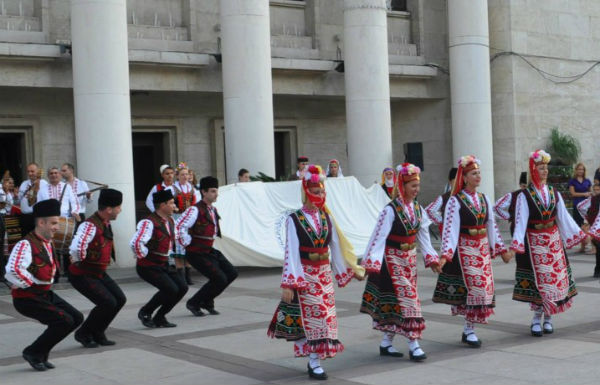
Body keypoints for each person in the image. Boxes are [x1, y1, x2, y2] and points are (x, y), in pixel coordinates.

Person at [268, 164, 361, 380]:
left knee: (326, 317)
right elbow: (290, 251)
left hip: (324, 274)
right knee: (316, 316)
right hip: (306, 273)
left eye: (322, 192)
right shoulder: (295, 219)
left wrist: (349, 269)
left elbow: (336, 247)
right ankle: (314, 361)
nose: (320, 196)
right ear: (306, 192)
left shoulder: (326, 218)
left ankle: (313, 356)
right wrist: (290, 283)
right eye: (316, 192)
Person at [360, 163, 440, 361]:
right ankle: (414, 344)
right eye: (413, 186)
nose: (416, 190)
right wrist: (371, 263)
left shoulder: (418, 209)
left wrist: (432, 258)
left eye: (417, 186)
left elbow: (423, 237)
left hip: (409, 260)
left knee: (398, 303)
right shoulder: (390, 210)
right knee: (409, 301)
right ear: (402, 186)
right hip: (393, 260)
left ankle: (386, 343)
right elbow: (378, 238)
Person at [432, 155, 510, 347]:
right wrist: (445, 255)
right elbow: (450, 229)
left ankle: (469, 329)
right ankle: (469, 330)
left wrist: (500, 249)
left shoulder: (484, 199)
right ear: (465, 177)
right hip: (466, 249)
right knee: (474, 288)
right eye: (474, 174)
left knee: (483, 289)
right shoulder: (454, 201)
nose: (478, 177)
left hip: (482, 248)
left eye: (479, 173)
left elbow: (491, 225)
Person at [509, 150, 585, 337]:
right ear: (534, 170)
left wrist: (579, 233)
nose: (545, 171)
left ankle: (549, 318)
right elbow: (520, 221)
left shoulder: (553, 192)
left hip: (553, 241)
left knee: (553, 281)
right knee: (540, 282)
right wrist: (516, 243)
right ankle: (536, 318)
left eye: (546, 168)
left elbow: (563, 217)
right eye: (541, 168)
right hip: (535, 241)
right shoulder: (525, 196)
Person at [4, 199, 83, 371]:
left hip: (43, 294)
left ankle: (41, 353)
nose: (57, 227)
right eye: (54, 223)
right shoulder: (26, 244)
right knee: (63, 321)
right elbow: (12, 269)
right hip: (28, 298)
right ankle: (33, 352)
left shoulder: (47, 242)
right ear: (41, 222)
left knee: (76, 317)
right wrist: (27, 284)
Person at [68, 189, 126, 348]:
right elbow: (76, 247)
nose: (120, 210)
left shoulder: (105, 222)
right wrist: (81, 261)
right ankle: (83, 333)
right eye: (119, 207)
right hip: (83, 274)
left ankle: (98, 331)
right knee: (107, 302)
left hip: (98, 272)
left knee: (119, 299)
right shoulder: (89, 225)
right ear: (109, 209)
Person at [176, 176, 238, 316]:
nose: (216, 194)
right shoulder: (194, 210)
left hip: (208, 250)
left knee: (232, 273)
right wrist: (187, 243)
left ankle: (207, 301)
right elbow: (179, 226)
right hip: (196, 252)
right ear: (204, 192)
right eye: (213, 191)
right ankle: (194, 302)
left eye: (216, 191)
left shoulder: (212, 209)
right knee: (219, 278)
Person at [131, 189, 188, 328]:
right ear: (162, 205)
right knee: (170, 289)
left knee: (182, 287)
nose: (174, 206)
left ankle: (160, 317)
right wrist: (145, 256)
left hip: (163, 264)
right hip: (148, 266)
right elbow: (136, 242)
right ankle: (145, 311)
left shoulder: (169, 221)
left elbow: (168, 243)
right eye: (171, 203)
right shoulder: (148, 222)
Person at [172, 162, 201, 285]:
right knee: (178, 248)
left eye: (186, 174)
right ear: (177, 176)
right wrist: (174, 208)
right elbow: (166, 203)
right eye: (182, 174)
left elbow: (198, 203)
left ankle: (188, 275)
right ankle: (181, 276)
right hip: (178, 219)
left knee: (188, 247)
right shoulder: (172, 188)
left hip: (189, 220)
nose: (185, 177)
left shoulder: (193, 189)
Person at [425, 167, 458, 234]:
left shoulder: (465, 196)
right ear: (450, 181)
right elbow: (429, 210)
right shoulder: (444, 197)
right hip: (450, 232)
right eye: (456, 180)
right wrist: (443, 220)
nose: (458, 183)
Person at [18, 163, 48, 236]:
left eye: (32, 171)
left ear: (38, 171)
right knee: (25, 238)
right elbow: (19, 199)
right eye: (28, 171)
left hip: (37, 216)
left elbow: (46, 201)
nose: (30, 173)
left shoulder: (44, 184)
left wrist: (36, 192)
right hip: (25, 217)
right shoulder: (24, 183)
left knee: (37, 239)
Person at [494, 171, 528, 236]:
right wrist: (510, 216)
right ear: (520, 185)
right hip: (517, 229)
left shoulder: (534, 195)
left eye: (528, 187)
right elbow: (496, 207)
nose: (526, 189)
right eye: (524, 186)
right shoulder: (512, 195)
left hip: (531, 229)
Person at [577, 183, 600, 277]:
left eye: (598, 189)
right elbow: (580, 207)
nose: (596, 191)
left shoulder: (593, 199)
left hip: (595, 228)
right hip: (596, 228)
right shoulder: (592, 199)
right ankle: (597, 270)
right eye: (595, 189)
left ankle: (597, 270)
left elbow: (580, 207)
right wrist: (588, 218)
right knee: (598, 249)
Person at [569, 162, 592, 253]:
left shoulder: (587, 181)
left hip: (586, 207)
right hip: (577, 205)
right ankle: (583, 246)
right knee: (579, 227)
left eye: (582, 169)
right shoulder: (572, 181)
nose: (580, 171)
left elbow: (591, 192)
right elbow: (573, 193)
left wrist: (589, 194)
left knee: (586, 226)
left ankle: (585, 246)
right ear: (576, 170)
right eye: (579, 169)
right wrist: (584, 194)